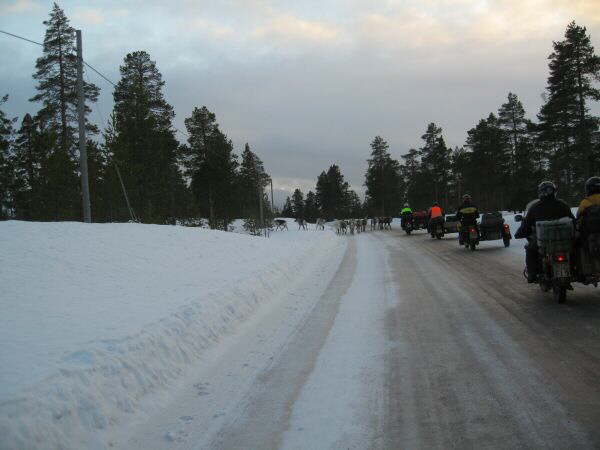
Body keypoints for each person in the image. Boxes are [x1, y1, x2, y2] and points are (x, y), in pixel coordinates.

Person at [514, 181, 574, 283]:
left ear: (540, 193)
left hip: (544, 242)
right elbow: (573, 220)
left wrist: (520, 233)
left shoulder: (535, 207)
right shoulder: (562, 205)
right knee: (575, 248)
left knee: (530, 249)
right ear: (554, 192)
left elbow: (527, 224)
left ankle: (532, 274)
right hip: (564, 240)